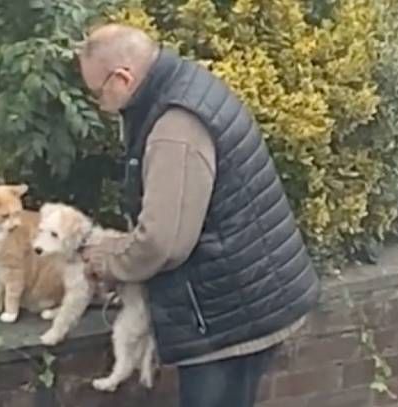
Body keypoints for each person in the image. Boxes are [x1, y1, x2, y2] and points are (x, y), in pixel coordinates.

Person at [76, 23, 320, 407]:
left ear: (123, 78)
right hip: (242, 296)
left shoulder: (175, 127)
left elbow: (163, 242)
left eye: (97, 92)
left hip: (231, 315)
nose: (99, 104)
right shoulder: (178, 86)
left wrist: (109, 258)